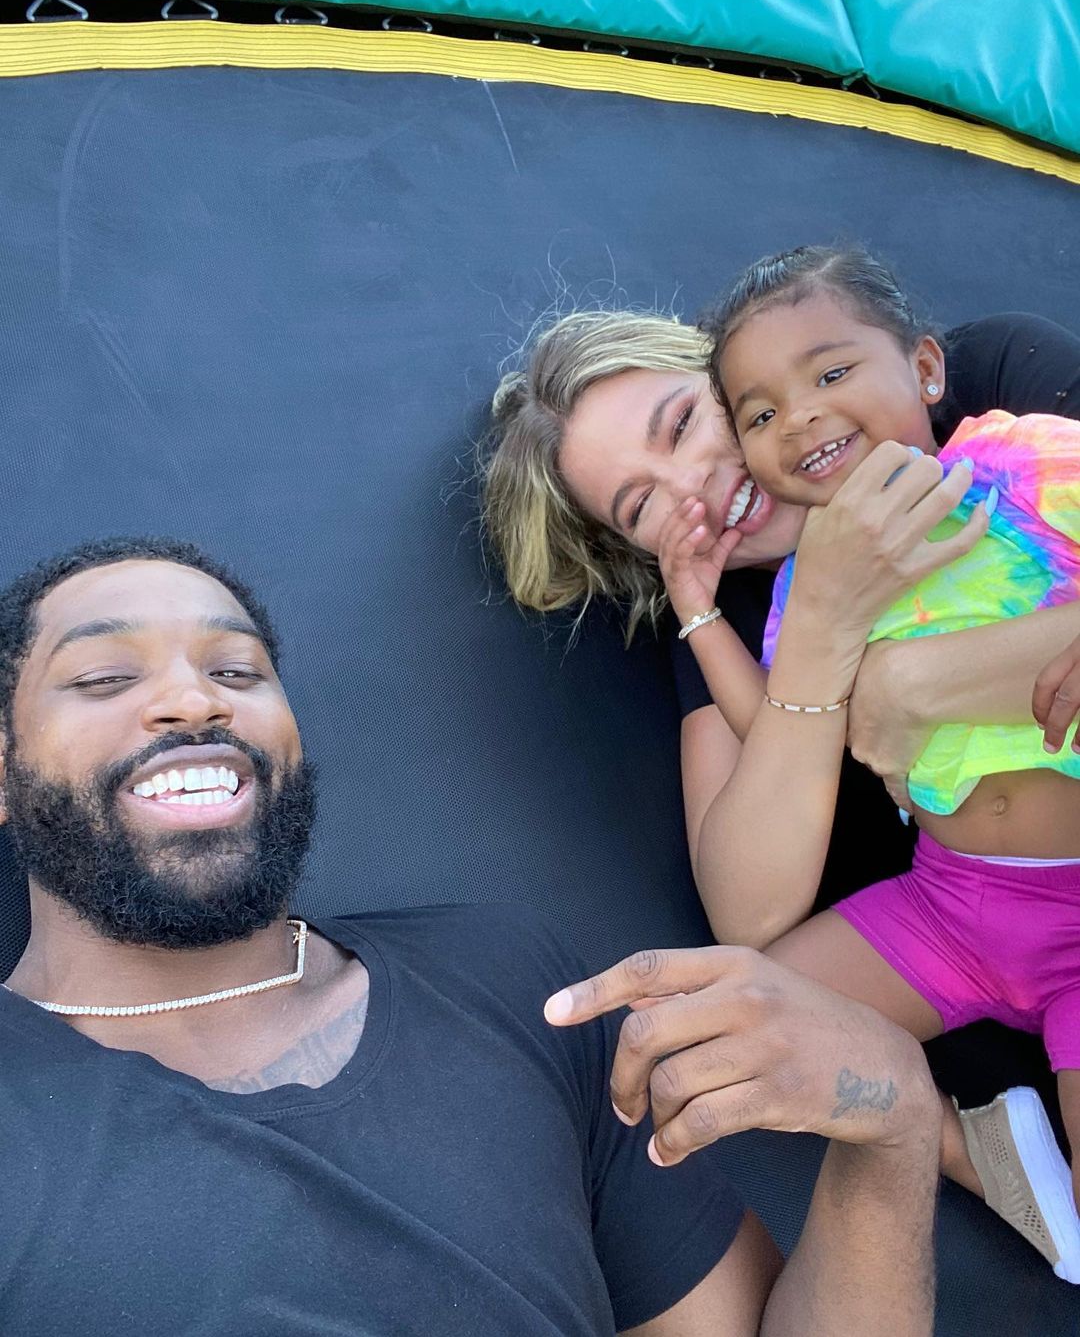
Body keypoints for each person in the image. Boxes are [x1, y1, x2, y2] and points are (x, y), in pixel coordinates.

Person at [0, 536, 943, 1336]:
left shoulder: (513, 981)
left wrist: (894, 1118)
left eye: (237, 671)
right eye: (103, 677)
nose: (195, 702)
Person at [480, 296, 1080, 1275]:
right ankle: (962, 1143)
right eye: (643, 507)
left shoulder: (979, 391)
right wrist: (822, 631)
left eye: (686, 426)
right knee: (711, 1027)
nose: (699, 492)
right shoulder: (733, 616)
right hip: (956, 922)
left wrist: (903, 685)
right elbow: (748, 911)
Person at [693, 245, 1080, 1276]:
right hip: (952, 903)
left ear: (924, 370)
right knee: (741, 1017)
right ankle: (985, 1154)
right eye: (761, 413)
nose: (802, 418)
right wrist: (693, 612)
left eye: (829, 375)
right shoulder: (802, 589)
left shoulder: (1025, 460)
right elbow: (783, 721)